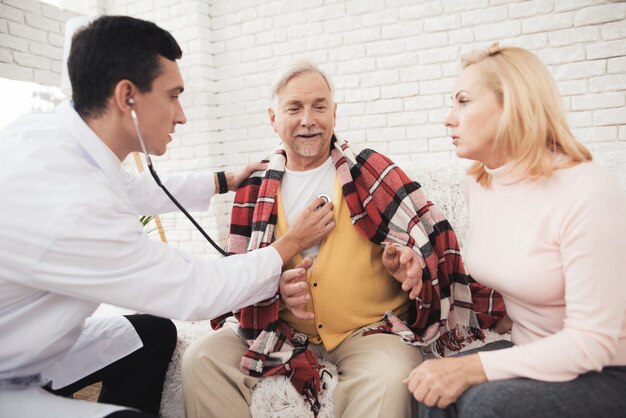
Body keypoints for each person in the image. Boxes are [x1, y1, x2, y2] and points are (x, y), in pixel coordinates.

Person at [0, 16, 335, 418]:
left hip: (25, 343)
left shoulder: (52, 139)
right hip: (8, 370)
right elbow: (196, 290)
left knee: (152, 334)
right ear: (128, 97)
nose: (182, 116)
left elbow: (132, 188)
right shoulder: (74, 208)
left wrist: (222, 181)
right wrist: (290, 243)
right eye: (173, 96)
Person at [181, 59, 502, 417]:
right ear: (273, 118)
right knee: (203, 358)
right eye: (294, 108)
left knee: (390, 374)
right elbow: (237, 282)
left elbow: (429, 246)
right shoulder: (254, 188)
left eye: (319, 106)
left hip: (366, 334)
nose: (308, 119)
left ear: (334, 114)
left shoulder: (371, 170)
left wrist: (413, 266)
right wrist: (273, 292)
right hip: (280, 338)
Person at [407, 44, 626, 418]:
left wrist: (473, 368)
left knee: (483, 405)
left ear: (513, 106)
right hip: (531, 353)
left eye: (463, 101)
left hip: (606, 368)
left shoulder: (588, 191)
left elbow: (594, 343)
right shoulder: (480, 185)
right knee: (428, 388)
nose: (449, 118)